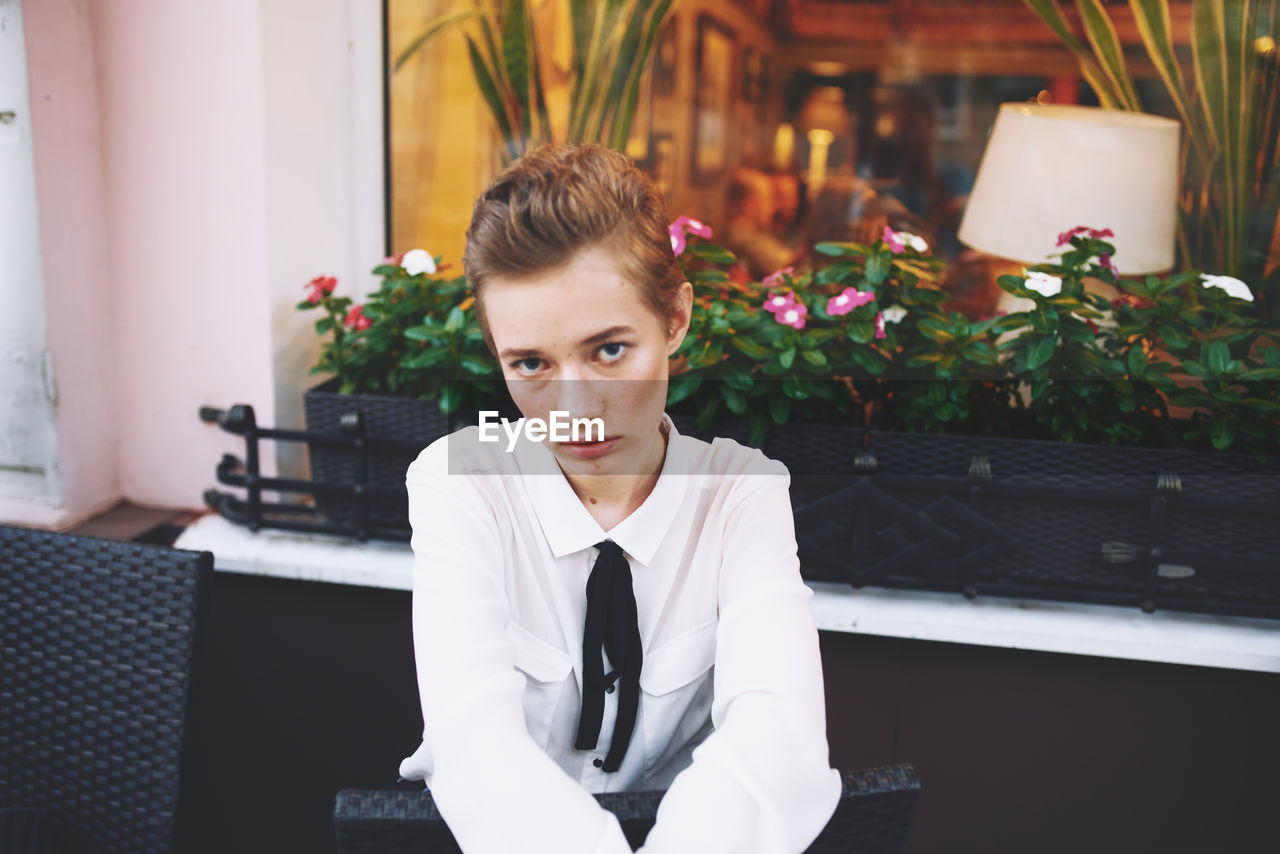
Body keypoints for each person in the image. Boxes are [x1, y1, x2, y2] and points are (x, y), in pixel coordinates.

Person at [396, 143, 841, 854]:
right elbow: (475, 744)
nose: (577, 404)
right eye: (532, 363)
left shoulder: (740, 494)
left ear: (674, 320)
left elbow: (777, 739)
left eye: (608, 350)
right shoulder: (462, 481)